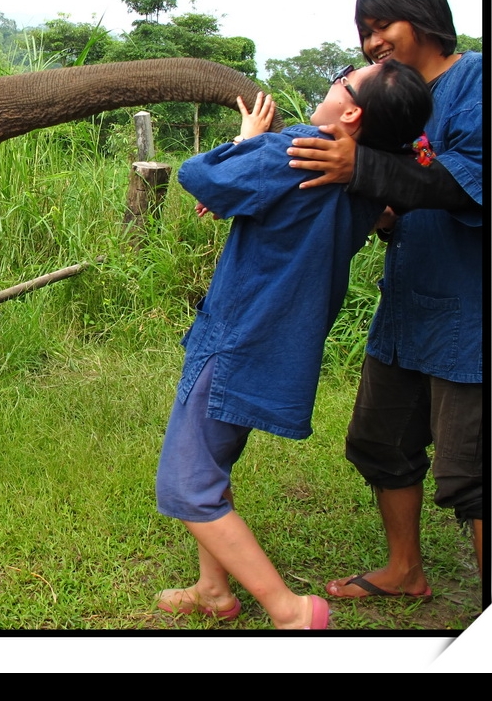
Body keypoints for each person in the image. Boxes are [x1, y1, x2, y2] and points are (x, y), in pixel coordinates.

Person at [156, 60, 433, 629]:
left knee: (186, 484)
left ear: (351, 112)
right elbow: (266, 202)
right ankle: (213, 589)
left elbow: (198, 175)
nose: (335, 82)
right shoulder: (367, 175)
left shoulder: (302, 147)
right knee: (213, 458)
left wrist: (243, 143)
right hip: (277, 339)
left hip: (236, 334)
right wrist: (242, 181)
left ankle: (289, 609)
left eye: (343, 77)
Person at [286, 0, 483, 599]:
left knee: (475, 470)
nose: (372, 43)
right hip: (407, 308)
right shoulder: (390, 100)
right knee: (382, 441)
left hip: (473, 313)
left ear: (423, 18)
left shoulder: (478, 81)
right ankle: (405, 570)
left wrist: (362, 165)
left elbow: (466, 178)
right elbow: (400, 192)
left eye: (381, 26)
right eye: (364, 33)